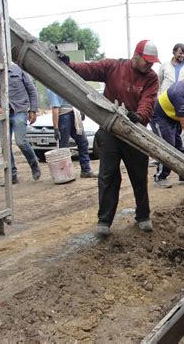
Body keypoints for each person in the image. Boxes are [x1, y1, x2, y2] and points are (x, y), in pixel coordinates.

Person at [57, 39, 159, 236]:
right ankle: (104, 220)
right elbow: (88, 70)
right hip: (110, 130)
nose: (149, 65)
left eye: (152, 62)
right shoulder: (114, 66)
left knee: (139, 175)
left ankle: (143, 216)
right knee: (108, 175)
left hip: (134, 131)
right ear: (136, 56)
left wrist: (139, 116)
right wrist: (68, 64)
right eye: (146, 61)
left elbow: (148, 100)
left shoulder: (151, 78)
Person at [0, 59, 41, 184]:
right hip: (3, 113)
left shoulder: (18, 70)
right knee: (5, 145)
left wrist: (33, 110)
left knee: (21, 141)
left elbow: (31, 90)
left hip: (19, 110)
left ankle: (34, 163)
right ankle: (12, 175)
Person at [46, 89, 98, 178]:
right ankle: (65, 174)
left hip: (73, 114)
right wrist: (56, 127)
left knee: (82, 142)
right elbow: (55, 108)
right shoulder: (53, 88)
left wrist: (81, 111)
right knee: (64, 147)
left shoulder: (63, 84)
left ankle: (85, 170)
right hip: (64, 116)